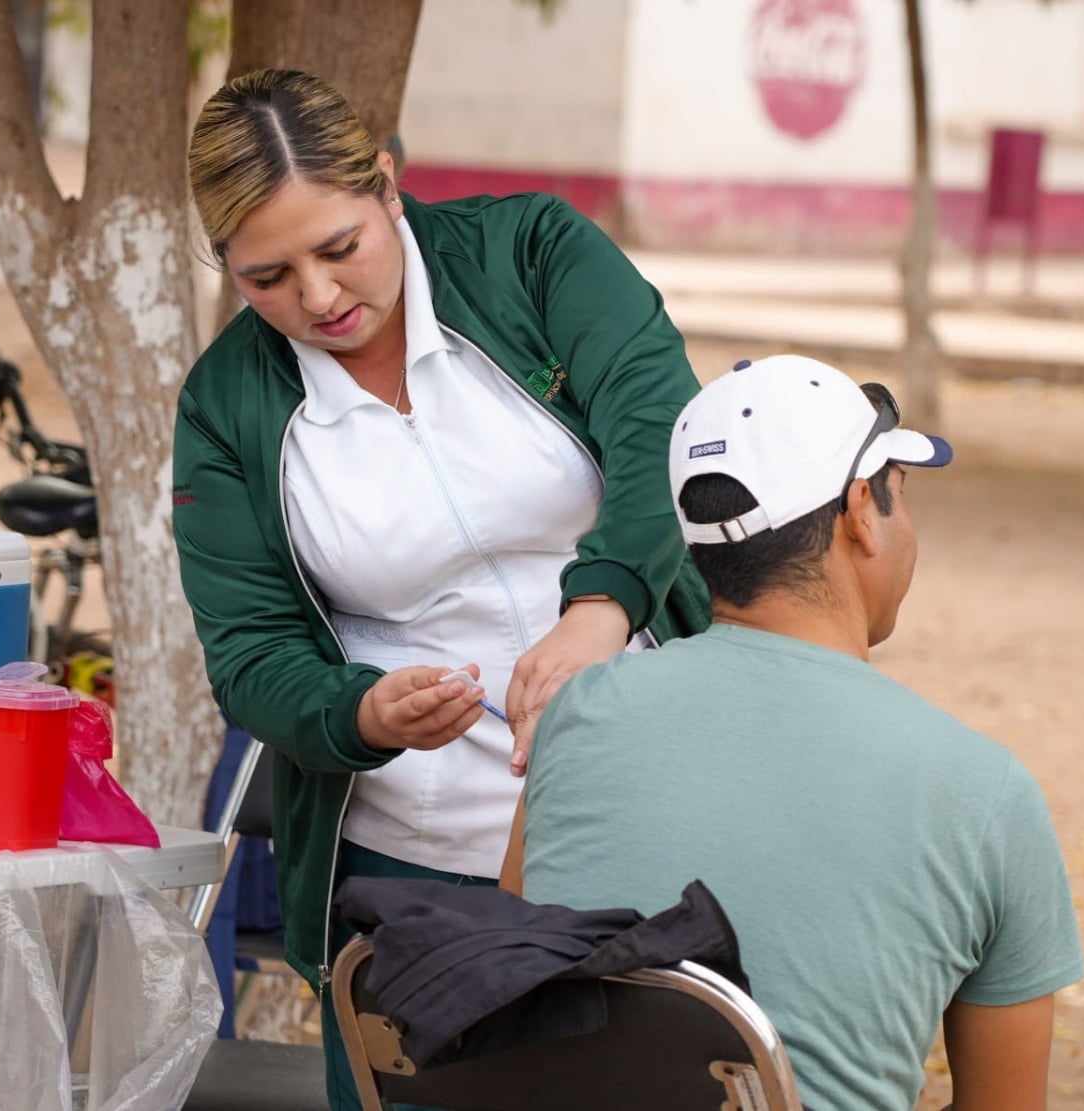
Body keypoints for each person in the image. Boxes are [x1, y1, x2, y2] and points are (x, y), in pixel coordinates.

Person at [172, 68, 710, 1108]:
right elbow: (250, 653)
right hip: (409, 863)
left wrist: (602, 607)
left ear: (386, 180)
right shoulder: (227, 405)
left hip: (642, 810)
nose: (319, 298)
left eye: (340, 249)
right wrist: (361, 710)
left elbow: (663, 437)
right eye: (267, 276)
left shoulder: (533, 253)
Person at [511, 354, 1084, 1111]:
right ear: (859, 513)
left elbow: (513, 973)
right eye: (898, 498)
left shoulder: (577, 715)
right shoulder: (984, 791)